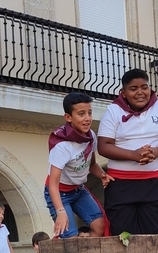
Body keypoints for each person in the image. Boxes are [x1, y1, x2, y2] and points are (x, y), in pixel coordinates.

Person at [97, 68, 158, 235]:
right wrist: (132, 155)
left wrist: (155, 152)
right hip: (121, 185)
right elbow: (103, 146)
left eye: (144, 87)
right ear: (124, 92)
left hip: (155, 185)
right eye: (133, 89)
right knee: (122, 236)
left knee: (154, 235)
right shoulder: (113, 111)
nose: (140, 92)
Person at [46, 92, 113, 238]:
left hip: (78, 190)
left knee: (100, 227)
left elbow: (92, 164)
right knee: (71, 239)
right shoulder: (62, 146)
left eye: (89, 113)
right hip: (60, 193)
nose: (87, 118)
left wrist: (102, 175)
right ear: (68, 117)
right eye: (81, 114)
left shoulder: (91, 136)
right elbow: (53, 184)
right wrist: (60, 211)